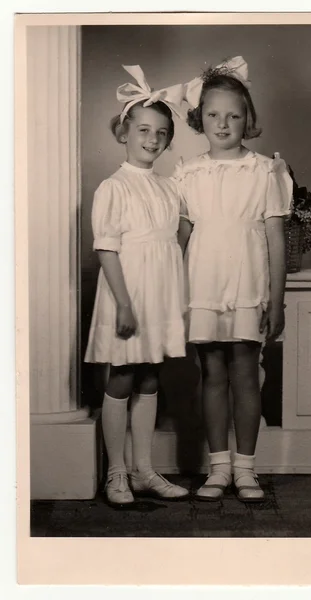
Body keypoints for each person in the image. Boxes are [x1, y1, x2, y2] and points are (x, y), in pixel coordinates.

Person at [174, 57, 293, 502]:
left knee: (247, 373)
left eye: (233, 115)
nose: (223, 124)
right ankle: (218, 468)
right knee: (212, 373)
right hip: (203, 283)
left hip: (248, 283)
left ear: (249, 119)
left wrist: (276, 300)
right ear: (198, 118)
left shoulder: (266, 171)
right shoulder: (187, 173)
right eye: (213, 115)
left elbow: (276, 239)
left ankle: (246, 470)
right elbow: (180, 238)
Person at [85, 65, 189, 506]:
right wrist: (124, 305)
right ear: (124, 131)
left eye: (161, 133)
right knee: (123, 375)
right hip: (128, 293)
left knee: (150, 377)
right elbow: (108, 250)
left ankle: (145, 470)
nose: (152, 139)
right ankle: (117, 473)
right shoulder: (113, 187)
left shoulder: (169, 188)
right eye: (144, 129)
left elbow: (178, 237)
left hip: (160, 292)